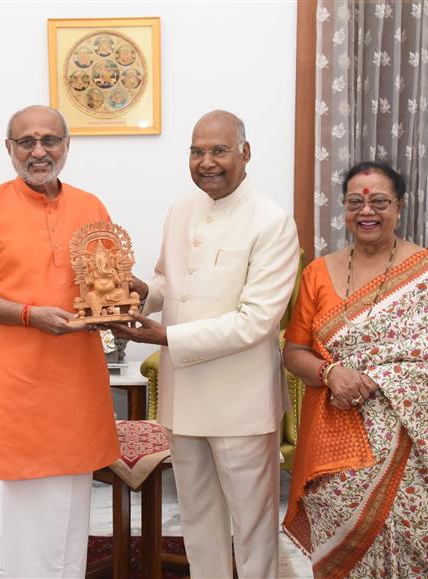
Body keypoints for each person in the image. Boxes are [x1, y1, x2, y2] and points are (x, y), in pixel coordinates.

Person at [110, 110, 299, 578]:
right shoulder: (181, 209)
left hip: (241, 403)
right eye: (197, 151)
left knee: (252, 529)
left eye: (219, 150)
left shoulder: (273, 221)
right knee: (197, 522)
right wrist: (143, 293)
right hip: (185, 399)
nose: (206, 162)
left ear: (245, 153)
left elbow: (256, 321)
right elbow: (166, 281)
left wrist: (165, 336)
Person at [0, 105, 120, 578]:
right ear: (9, 148)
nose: (39, 152)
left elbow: (105, 285)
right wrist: (27, 315)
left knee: (66, 519)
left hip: (74, 390)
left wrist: (124, 297)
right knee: (7, 520)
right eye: (27, 142)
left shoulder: (91, 206)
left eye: (49, 140)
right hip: (9, 394)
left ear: (66, 145)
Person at [281, 161, 428, 578]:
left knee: (416, 539)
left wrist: (376, 378)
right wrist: (332, 374)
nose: (366, 211)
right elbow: (294, 352)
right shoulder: (317, 273)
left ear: (399, 208)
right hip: (337, 445)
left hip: (412, 444)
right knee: (345, 548)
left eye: (379, 202)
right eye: (355, 202)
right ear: (344, 209)